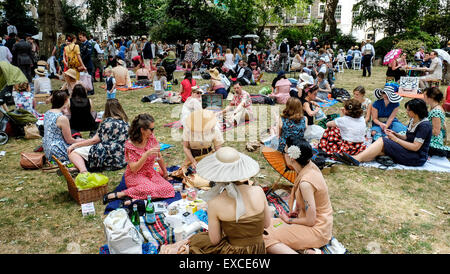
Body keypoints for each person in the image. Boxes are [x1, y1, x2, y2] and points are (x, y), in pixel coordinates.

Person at [166, 146, 268, 254]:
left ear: (217, 172)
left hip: (234, 251)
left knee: (196, 241)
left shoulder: (215, 202)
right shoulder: (259, 191)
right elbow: (266, 224)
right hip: (258, 249)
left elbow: (215, 240)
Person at [264, 138, 333, 254]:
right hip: (313, 222)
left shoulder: (305, 183)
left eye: (285, 152)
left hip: (317, 230)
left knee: (264, 237)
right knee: (265, 226)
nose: (283, 154)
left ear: (291, 157)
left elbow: (311, 220)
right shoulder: (309, 166)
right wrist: (297, 211)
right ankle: (306, 250)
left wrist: (289, 220)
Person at [337, 99, 433, 167]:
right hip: (409, 152)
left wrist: (395, 139)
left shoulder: (424, 125)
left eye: (408, 110)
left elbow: (415, 147)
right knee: (380, 149)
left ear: (415, 112)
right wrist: (396, 134)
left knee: (383, 140)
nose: (406, 112)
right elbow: (408, 137)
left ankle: (356, 159)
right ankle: (355, 159)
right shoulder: (413, 120)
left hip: (416, 157)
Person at [102, 114, 174, 204]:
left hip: (150, 172)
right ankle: (122, 194)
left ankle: (134, 199)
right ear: (142, 130)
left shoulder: (151, 138)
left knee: (169, 189)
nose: (153, 131)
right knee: (150, 189)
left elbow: (159, 156)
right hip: (135, 175)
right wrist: (146, 155)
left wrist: (165, 174)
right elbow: (134, 169)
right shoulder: (130, 145)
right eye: (151, 129)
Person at [68, 99, 129, 173]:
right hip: (121, 159)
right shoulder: (127, 124)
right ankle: (76, 168)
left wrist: (75, 145)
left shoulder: (106, 123)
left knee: (73, 153)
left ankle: (83, 171)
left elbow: (94, 140)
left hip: (106, 156)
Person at [43, 90, 84, 162]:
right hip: (57, 149)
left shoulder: (47, 113)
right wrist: (81, 141)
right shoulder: (62, 118)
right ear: (66, 100)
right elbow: (69, 140)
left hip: (47, 148)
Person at [423, 87, 450, 157]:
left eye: (425, 96)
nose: (423, 98)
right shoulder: (434, 108)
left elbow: (436, 132)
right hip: (430, 137)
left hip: (433, 140)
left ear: (431, 97)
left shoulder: (436, 112)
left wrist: (421, 129)